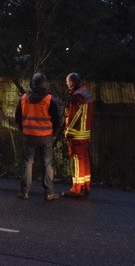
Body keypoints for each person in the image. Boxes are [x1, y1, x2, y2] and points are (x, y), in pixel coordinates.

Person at [15, 72, 63, 200]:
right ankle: (49, 192)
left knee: (27, 163)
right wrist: (54, 133)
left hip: (28, 135)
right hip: (46, 136)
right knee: (46, 163)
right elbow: (57, 120)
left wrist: (23, 128)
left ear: (33, 83)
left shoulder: (24, 98)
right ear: (44, 83)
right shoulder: (49, 99)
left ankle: (24, 192)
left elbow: (17, 117)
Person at [64, 72, 94, 197]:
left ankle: (77, 188)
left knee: (77, 160)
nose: (66, 84)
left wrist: (68, 133)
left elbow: (74, 116)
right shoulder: (86, 92)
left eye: (67, 82)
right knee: (84, 159)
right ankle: (86, 185)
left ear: (71, 82)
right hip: (85, 132)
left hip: (77, 134)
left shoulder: (76, 97)